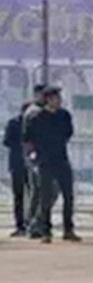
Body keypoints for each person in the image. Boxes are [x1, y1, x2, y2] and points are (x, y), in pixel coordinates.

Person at [25, 86, 78, 244]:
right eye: (55, 98)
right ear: (47, 99)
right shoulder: (37, 117)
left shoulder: (64, 116)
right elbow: (28, 138)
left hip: (61, 158)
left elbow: (68, 133)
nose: (58, 100)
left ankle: (68, 229)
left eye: (59, 98)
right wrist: (34, 156)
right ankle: (45, 230)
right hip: (45, 160)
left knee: (68, 194)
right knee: (45, 196)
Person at [19, 85, 47, 238]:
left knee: (39, 190)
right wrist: (32, 154)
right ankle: (34, 222)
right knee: (42, 190)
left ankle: (33, 222)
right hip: (37, 157)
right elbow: (28, 137)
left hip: (41, 156)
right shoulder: (34, 112)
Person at [4, 101, 31, 237]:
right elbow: (7, 141)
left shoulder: (36, 123)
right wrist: (21, 143)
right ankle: (20, 225)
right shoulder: (13, 123)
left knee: (34, 194)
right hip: (17, 163)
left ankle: (32, 223)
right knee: (19, 195)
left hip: (33, 163)